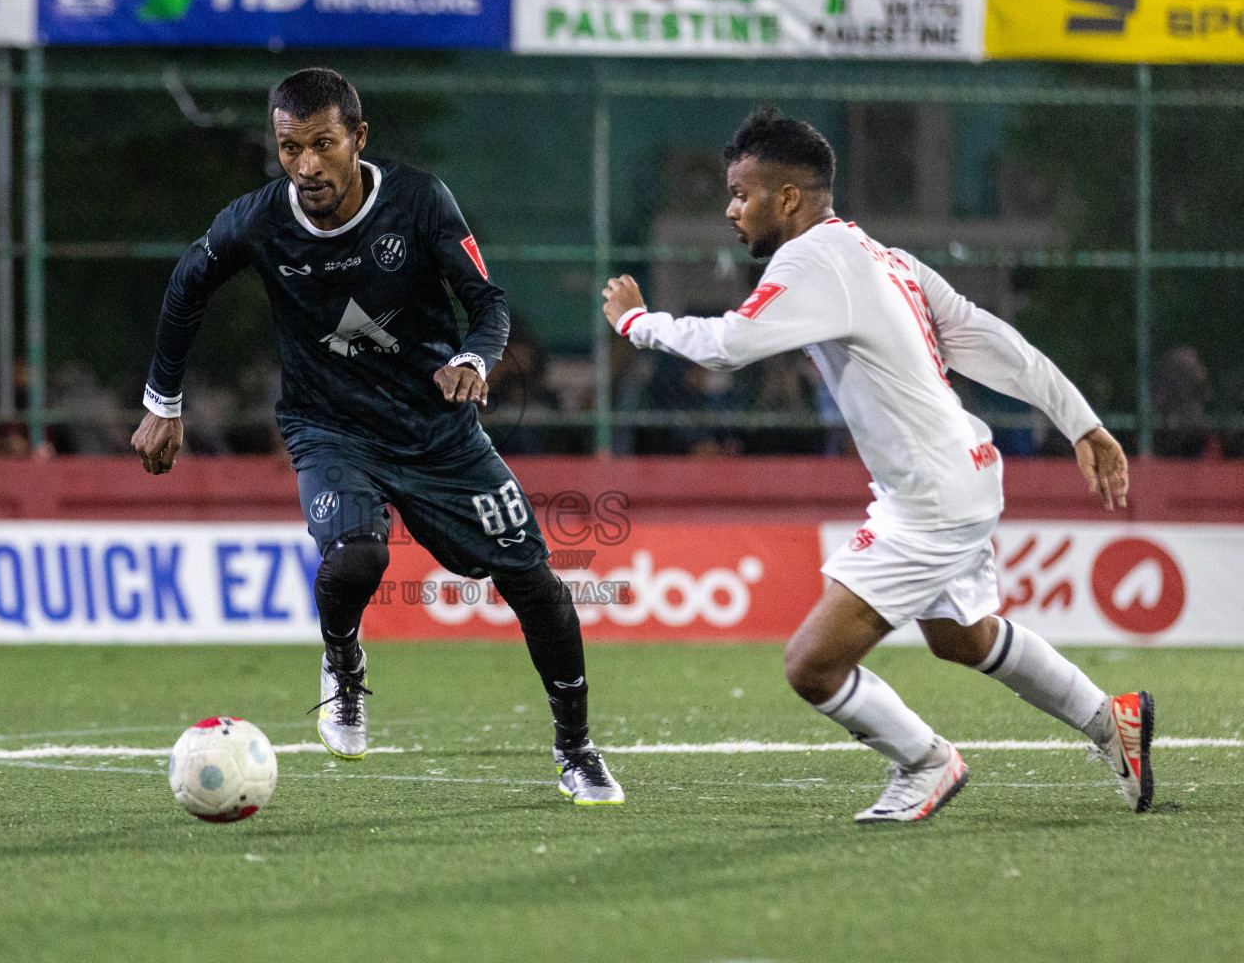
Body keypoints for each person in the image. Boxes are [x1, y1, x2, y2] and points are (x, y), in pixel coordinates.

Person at [601, 107, 1150, 823]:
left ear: (788, 197)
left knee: (813, 665)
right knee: (964, 637)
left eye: (742, 193)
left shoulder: (812, 260)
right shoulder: (884, 259)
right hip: (960, 472)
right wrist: (1082, 420)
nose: (731, 209)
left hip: (931, 496)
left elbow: (729, 343)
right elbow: (994, 342)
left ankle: (925, 762)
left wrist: (635, 323)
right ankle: (1115, 722)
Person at [131, 67, 623, 805]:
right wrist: (162, 401)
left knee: (533, 581)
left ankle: (576, 749)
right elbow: (186, 285)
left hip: (436, 430)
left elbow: (487, 303)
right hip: (329, 427)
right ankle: (343, 662)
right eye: (289, 147)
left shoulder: (419, 200)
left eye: (322, 144)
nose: (304, 166)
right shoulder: (258, 220)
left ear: (357, 139)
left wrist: (471, 358)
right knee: (356, 554)